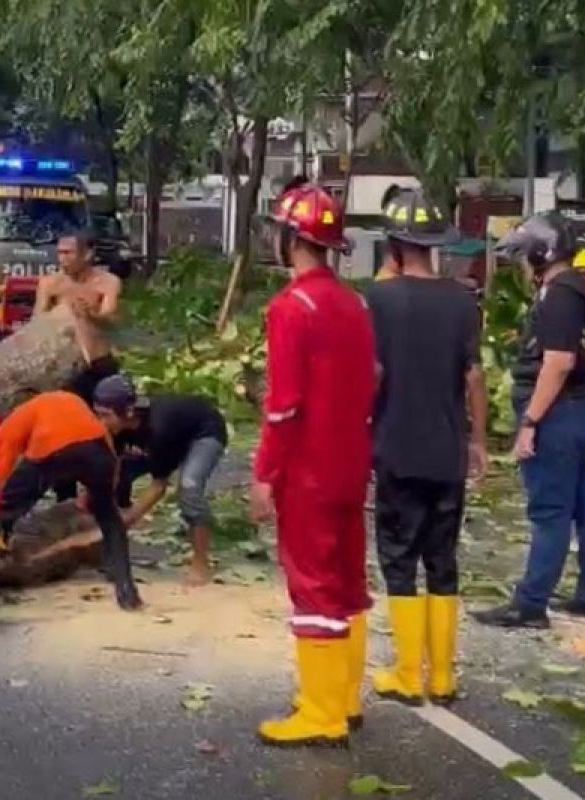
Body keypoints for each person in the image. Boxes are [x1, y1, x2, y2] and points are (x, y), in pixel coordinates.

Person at [250, 184, 377, 747]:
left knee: (313, 584)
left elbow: (284, 405)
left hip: (308, 470)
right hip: (352, 462)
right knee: (348, 582)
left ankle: (322, 713)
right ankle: (344, 698)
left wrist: (264, 474)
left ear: (291, 238)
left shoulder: (290, 309)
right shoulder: (355, 303)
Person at [365, 188, 488, 707]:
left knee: (399, 559)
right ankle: (443, 677)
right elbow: (474, 377)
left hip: (396, 447)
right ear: (437, 245)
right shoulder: (462, 301)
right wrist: (478, 439)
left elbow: (371, 374)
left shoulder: (378, 300)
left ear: (393, 245)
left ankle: (407, 674)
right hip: (447, 451)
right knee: (443, 558)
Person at [474, 212, 585, 628]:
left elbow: (557, 362)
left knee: (549, 509)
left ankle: (531, 603)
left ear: (541, 253)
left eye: (524, 256)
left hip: (559, 412)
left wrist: (530, 421)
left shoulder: (561, 294)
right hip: (579, 409)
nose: (522, 265)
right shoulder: (582, 288)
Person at [0, 390, 141, 611]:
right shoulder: (75, 403)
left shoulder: (20, 415)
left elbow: (2, 456)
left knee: (1, 515)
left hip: (51, 447)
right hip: (96, 452)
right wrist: (100, 494)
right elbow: (108, 453)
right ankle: (127, 591)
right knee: (110, 521)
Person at [92, 374, 228, 587]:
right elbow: (114, 465)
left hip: (204, 432)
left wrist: (129, 518)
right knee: (117, 476)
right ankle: (114, 552)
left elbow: (159, 486)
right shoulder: (118, 427)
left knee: (189, 487)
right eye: (97, 414)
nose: (101, 422)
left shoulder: (158, 428)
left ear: (128, 412)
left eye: (106, 415)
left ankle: (201, 562)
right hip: (165, 442)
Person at [35, 231, 123, 405]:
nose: (62, 259)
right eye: (60, 253)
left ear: (87, 254)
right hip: (63, 362)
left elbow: (111, 320)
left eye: (68, 253)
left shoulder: (108, 282)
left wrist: (91, 315)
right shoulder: (50, 283)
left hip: (98, 361)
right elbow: (38, 320)